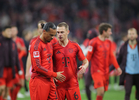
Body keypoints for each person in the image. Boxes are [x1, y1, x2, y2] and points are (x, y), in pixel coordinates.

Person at [52, 22, 89, 100]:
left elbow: (85, 61)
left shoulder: (75, 46)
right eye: (58, 32)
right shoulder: (53, 47)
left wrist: (84, 67)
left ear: (67, 32)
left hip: (72, 84)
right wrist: (52, 75)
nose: (59, 34)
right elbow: (48, 64)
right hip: (58, 86)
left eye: (62, 32)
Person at [29, 22, 65, 100]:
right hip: (39, 81)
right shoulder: (36, 45)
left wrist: (52, 74)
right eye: (51, 35)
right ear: (44, 32)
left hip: (50, 79)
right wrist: (54, 74)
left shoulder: (49, 43)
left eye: (54, 35)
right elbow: (37, 67)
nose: (52, 37)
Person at [86, 23, 122, 100]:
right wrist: (83, 67)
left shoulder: (108, 42)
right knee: (101, 91)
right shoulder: (93, 42)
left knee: (102, 93)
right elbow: (88, 57)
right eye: (109, 31)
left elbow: (112, 56)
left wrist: (117, 67)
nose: (111, 33)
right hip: (96, 71)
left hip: (106, 71)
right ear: (104, 31)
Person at [116, 28, 139, 100]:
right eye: (130, 34)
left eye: (133, 34)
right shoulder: (123, 47)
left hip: (138, 73)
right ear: (127, 35)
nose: (131, 35)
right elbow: (118, 59)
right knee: (127, 92)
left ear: (136, 35)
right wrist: (110, 69)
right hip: (128, 73)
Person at [0, 26, 22, 100]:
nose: (10, 33)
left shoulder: (13, 43)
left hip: (10, 69)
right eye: (8, 31)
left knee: (7, 90)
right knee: (2, 87)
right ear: (3, 32)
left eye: (10, 31)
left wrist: (19, 69)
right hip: (2, 69)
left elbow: (16, 57)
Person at [81, 28, 98, 100]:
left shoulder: (97, 42)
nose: (88, 35)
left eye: (89, 33)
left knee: (99, 86)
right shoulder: (87, 41)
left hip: (97, 65)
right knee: (87, 85)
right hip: (89, 64)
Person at [10, 26, 27, 99]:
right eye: (12, 30)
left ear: (17, 32)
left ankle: (15, 94)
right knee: (12, 82)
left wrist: (19, 56)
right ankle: (11, 95)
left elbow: (25, 52)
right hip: (10, 64)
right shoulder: (8, 40)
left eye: (14, 30)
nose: (13, 32)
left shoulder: (20, 40)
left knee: (22, 83)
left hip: (19, 64)